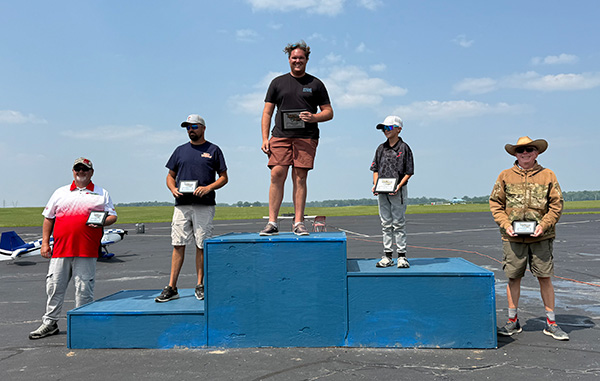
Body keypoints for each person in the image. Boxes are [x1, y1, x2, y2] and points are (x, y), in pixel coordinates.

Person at [490, 136, 569, 341]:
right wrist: (506, 225)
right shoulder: (505, 176)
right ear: (515, 154)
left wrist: (544, 225)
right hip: (513, 238)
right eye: (520, 150)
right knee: (513, 277)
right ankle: (512, 321)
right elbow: (495, 203)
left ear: (537, 152)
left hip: (541, 237)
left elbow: (556, 205)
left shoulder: (548, 175)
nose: (525, 153)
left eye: (529, 150)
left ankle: (551, 323)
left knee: (544, 277)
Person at [29, 157, 117, 339]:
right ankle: (50, 322)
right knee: (54, 287)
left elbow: (112, 216)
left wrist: (102, 221)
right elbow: (48, 218)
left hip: (87, 249)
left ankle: (82, 323)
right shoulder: (60, 192)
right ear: (73, 171)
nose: (81, 172)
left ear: (91, 172)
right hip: (61, 249)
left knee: (84, 288)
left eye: (85, 169)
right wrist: (45, 243)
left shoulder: (101, 193)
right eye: (78, 169)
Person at [260, 40, 333, 236]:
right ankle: (272, 222)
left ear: (307, 59)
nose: (297, 61)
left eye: (301, 58)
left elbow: (329, 112)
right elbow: (267, 113)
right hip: (281, 136)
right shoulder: (277, 83)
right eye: (294, 58)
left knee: (300, 177)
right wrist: (265, 138)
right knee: (277, 174)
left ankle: (298, 222)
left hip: (306, 137)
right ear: (289, 59)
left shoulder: (316, 84)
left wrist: (314, 117)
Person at [155, 114, 228, 303]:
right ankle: (172, 287)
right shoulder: (180, 151)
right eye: (187, 127)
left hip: (204, 205)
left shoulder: (213, 150)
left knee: (201, 244)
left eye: (194, 126)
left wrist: (208, 188)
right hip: (182, 205)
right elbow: (170, 176)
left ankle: (200, 284)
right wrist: (172, 189)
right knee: (178, 243)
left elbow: (223, 177)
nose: (190, 130)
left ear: (203, 128)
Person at [370, 116, 414, 268]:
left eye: (388, 128)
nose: (385, 131)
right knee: (385, 223)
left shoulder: (404, 148)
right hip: (382, 191)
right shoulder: (380, 148)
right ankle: (387, 255)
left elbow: (409, 171)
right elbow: (375, 169)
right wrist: (375, 185)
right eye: (383, 128)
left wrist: (398, 186)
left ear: (398, 129)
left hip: (397, 190)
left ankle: (402, 256)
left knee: (398, 223)